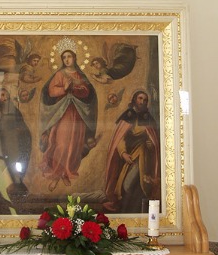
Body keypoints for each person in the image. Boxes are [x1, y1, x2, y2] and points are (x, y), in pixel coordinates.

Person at [39, 49, 98, 191]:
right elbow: (51, 91)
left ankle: (66, 172)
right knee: (62, 144)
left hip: (77, 113)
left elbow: (87, 92)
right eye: (64, 57)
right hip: (63, 112)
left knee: (74, 145)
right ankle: (56, 174)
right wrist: (64, 88)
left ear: (75, 58)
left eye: (69, 56)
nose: (66, 59)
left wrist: (77, 88)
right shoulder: (60, 74)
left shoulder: (79, 75)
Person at [103, 90, 161, 212]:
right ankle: (126, 212)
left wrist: (151, 145)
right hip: (127, 158)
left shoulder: (148, 119)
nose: (142, 102)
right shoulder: (127, 117)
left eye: (145, 100)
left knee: (134, 185)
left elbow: (154, 142)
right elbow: (119, 139)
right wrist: (123, 153)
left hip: (143, 157)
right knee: (126, 185)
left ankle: (135, 213)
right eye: (140, 98)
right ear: (134, 99)